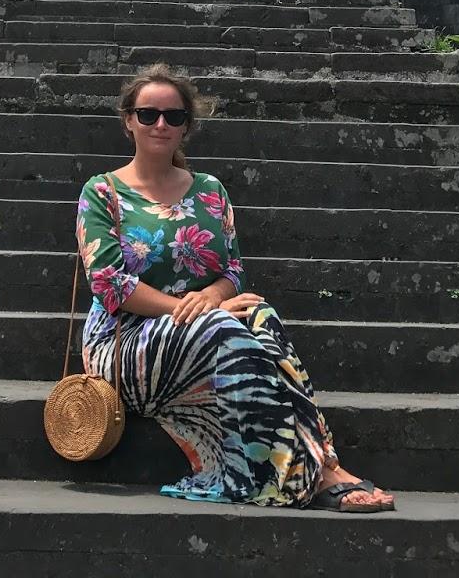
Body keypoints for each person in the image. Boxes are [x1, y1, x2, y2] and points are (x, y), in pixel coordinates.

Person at [75, 63, 396, 513]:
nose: (161, 124)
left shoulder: (209, 191)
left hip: (202, 327)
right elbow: (109, 285)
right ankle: (315, 473)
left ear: (187, 125)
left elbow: (233, 270)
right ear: (129, 120)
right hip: (123, 341)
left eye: (174, 116)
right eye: (148, 114)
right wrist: (198, 312)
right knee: (222, 329)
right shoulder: (102, 192)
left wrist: (212, 297)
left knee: (261, 314)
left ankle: (322, 461)